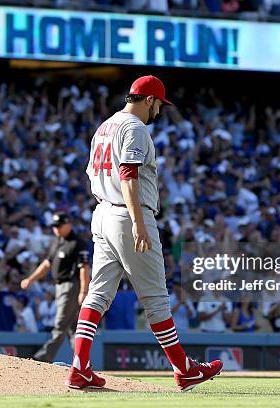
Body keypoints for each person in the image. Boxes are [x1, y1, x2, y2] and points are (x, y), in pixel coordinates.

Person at [65, 75, 222, 391]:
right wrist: (137, 222)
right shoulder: (135, 128)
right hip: (127, 214)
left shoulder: (104, 127)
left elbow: (97, 174)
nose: (160, 112)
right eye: (159, 105)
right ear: (149, 100)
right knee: (156, 299)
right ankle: (184, 369)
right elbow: (128, 175)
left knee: (98, 293)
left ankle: (80, 368)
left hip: (102, 214)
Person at [20, 212, 91, 362]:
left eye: (59, 226)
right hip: (60, 286)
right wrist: (30, 279)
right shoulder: (56, 241)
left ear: (68, 225)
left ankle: (42, 358)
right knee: (72, 328)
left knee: (60, 324)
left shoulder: (77, 243)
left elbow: (84, 268)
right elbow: (47, 264)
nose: (56, 229)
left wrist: (84, 291)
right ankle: (82, 362)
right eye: (54, 227)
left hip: (71, 286)